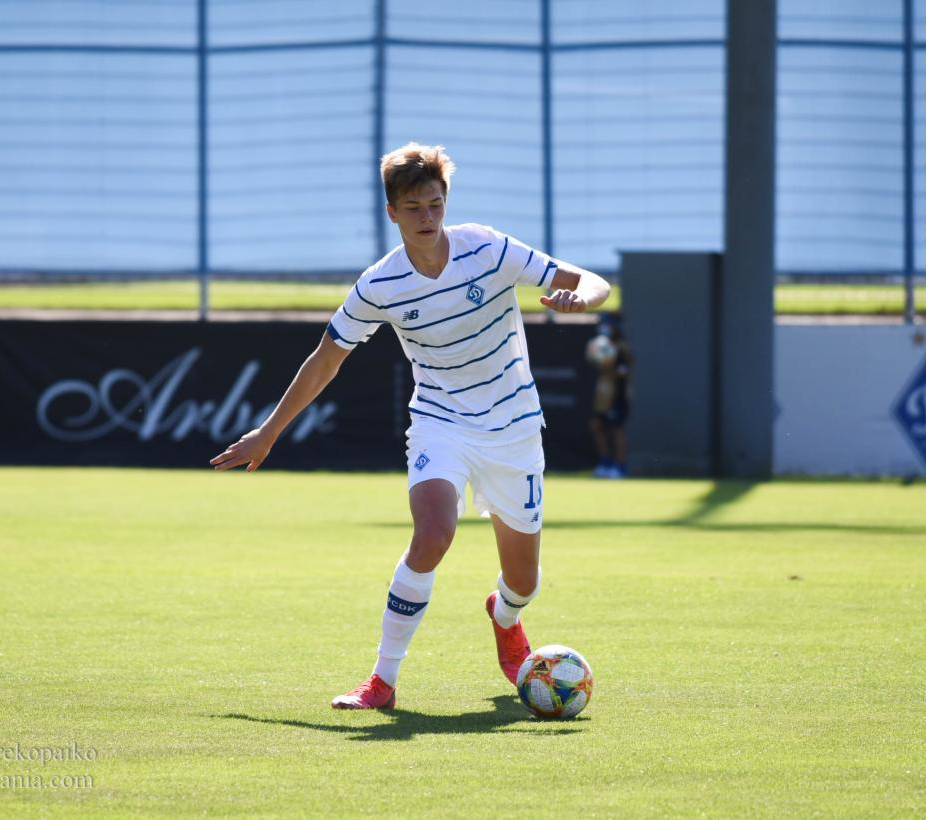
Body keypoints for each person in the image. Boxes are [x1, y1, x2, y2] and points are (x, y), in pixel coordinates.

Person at [210, 143, 611, 710]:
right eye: (414, 207)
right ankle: (382, 681)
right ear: (392, 212)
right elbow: (326, 359)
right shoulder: (381, 284)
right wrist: (269, 431)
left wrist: (581, 299)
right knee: (432, 535)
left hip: (513, 427)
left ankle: (505, 616)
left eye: (435, 204)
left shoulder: (487, 247)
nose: (428, 217)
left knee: (524, 582)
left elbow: (592, 280)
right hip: (440, 422)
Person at [586, 316, 632, 478]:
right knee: (597, 426)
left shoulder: (621, 347)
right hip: (602, 396)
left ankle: (620, 466)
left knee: (616, 429)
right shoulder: (599, 343)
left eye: (608, 325)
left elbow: (625, 370)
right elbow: (596, 362)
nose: (604, 328)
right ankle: (605, 462)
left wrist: (615, 369)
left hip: (617, 394)